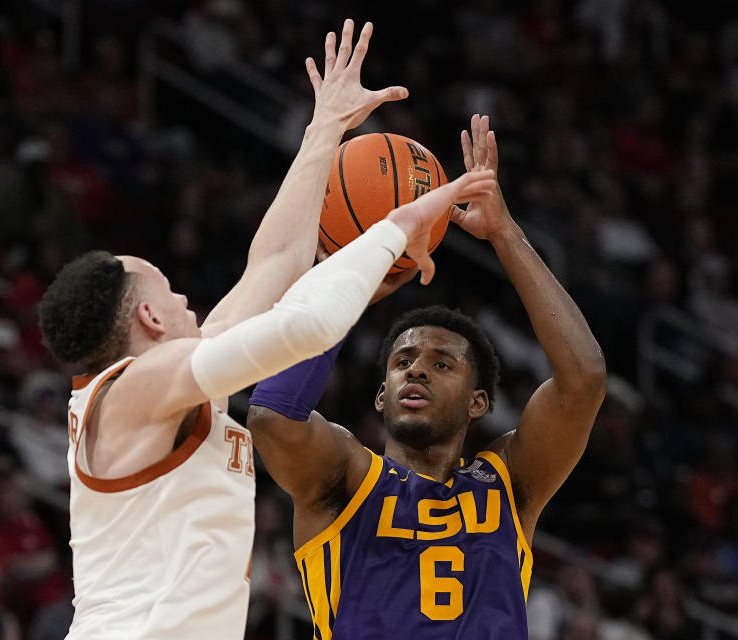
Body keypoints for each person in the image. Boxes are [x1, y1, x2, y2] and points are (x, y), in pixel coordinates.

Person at [36, 19, 498, 639]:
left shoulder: (168, 388)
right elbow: (305, 324)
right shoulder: (136, 390)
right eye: (168, 290)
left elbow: (278, 263)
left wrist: (324, 130)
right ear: (147, 318)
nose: (185, 297)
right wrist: (398, 225)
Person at [247, 115, 608, 638]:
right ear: (380, 396)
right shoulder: (346, 479)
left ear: (479, 403)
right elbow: (273, 418)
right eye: (402, 362)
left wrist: (505, 233)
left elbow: (585, 380)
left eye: (443, 364)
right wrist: (354, 288)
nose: (416, 367)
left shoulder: (509, 483)